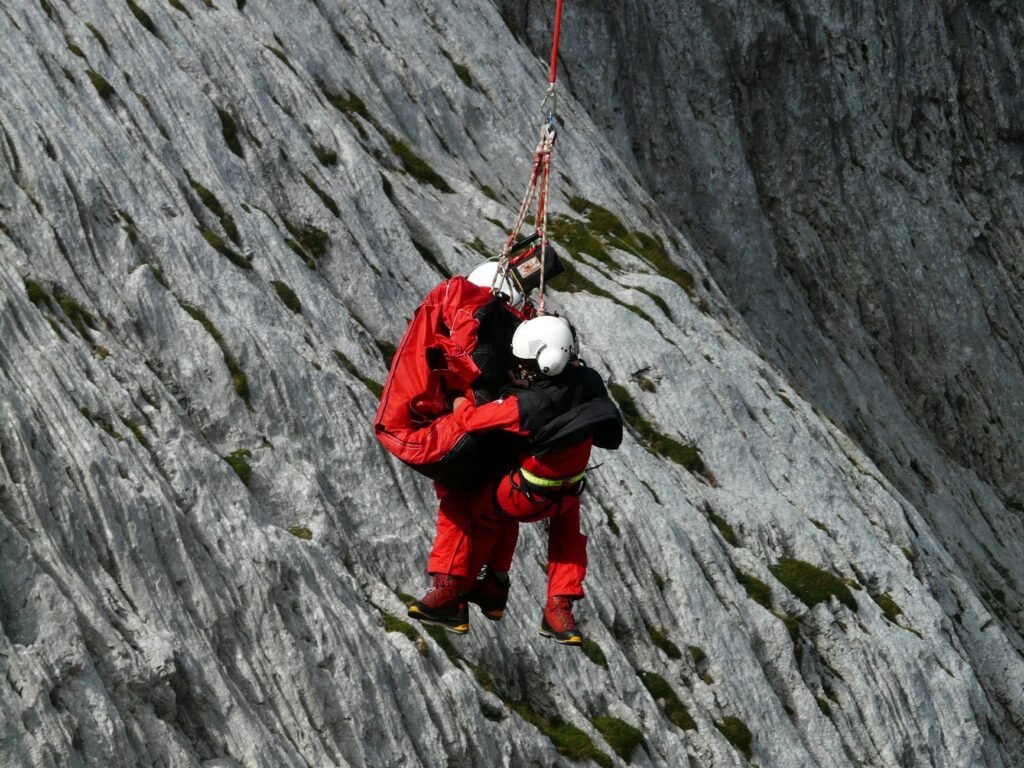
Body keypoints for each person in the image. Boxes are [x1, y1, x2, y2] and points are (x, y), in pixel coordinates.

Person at [407, 314, 623, 644]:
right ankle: (557, 608)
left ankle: (450, 591)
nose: (521, 369)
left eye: (526, 364)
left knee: (462, 502)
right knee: (566, 539)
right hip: (567, 493)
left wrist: (458, 395)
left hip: (524, 497)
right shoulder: (589, 381)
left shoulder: (526, 406)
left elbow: (470, 420)